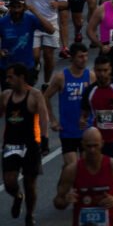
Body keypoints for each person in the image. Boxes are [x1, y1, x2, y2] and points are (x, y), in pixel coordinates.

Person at [1, 64, 51, 224]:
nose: (7, 80)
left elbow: (44, 117)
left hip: (30, 144)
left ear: (21, 77)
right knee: (9, 182)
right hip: (11, 143)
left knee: (30, 184)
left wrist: (44, 139)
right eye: (6, 77)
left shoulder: (35, 95)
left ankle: (30, 214)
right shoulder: (5, 96)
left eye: (11, 77)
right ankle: (17, 196)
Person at [53, 127, 113, 224]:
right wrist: (66, 200)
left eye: (95, 145)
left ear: (102, 144)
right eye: (89, 146)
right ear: (82, 144)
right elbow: (58, 201)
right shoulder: (72, 170)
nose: (92, 150)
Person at [16, 0, 67, 86]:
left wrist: (57, 4)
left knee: (49, 56)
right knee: (35, 56)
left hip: (50, 22)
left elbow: (64, 2)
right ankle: (36, 67)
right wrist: (23, 7)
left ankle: (46, 82)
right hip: (32, 23)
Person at [45, 42, 91, 166]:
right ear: (72, 58)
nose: (84, 60)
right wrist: (53, 120)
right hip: (68, 131)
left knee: (86, 167)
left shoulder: (91, 76)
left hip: (87, 131)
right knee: (72, 167)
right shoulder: (61, 77)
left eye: (86, 56)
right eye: (80, 57)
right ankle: (64, 183)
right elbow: (45, 97)